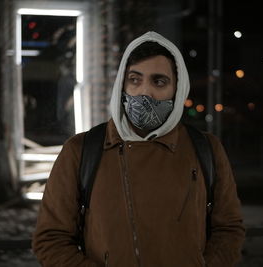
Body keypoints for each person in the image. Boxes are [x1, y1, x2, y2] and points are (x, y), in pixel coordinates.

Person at [33, 31, 245, 267]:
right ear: (122, 85)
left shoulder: (206, 150)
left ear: (178, 88)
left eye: (159, 81)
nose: (145, 92)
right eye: (135, 79)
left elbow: (228, 230)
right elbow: (51, 239)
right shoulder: (81, 150)